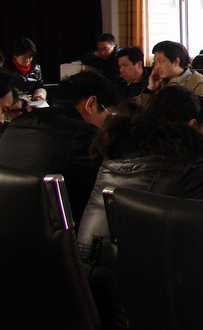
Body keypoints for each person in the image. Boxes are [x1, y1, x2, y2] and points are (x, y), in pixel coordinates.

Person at [77, 86, 203, 330]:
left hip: (88, 283)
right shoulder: (186, 166)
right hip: (139, 298)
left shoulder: (118, 151)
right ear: (192, 125)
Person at [0, 71, 117, 222]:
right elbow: (99, 194)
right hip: (56, 229)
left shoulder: (16, 124)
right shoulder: (83, 133)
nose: (105, 124)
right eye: (108, 115)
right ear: (91, 104)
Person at [137, 40, 203, 104]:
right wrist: (150, 89)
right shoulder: (160, 81)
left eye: (160, 61)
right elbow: (139, 111)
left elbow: (202, 112)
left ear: (176, 61)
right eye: (155, 62)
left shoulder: (198, 82)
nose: (156, 67)